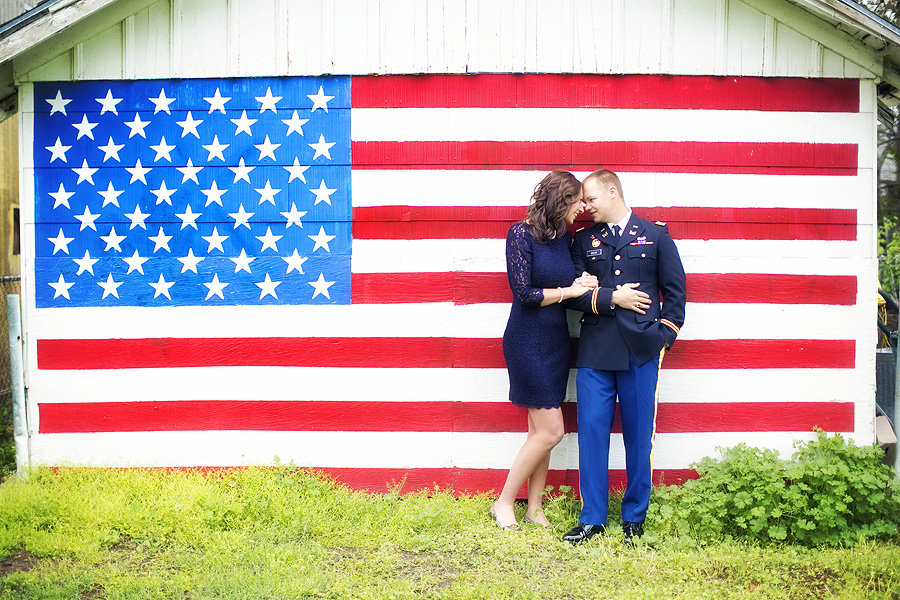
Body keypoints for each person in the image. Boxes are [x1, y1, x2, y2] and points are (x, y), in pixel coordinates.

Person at [561, 169, 686, 545]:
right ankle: (592, 518)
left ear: (612, 192)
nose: (586, 207)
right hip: (596, 350)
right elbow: (575, 293)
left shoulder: (656, 234)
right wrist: (613, 295)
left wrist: (662, 337)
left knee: (637, 436)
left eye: (591, 199)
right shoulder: (583, 241)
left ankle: (634, 518)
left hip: (640, 352)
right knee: (592, 435)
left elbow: (675, 293)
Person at [490, 170, 596, 530]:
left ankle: (534, 507)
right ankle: (504, 501)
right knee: (552, 431)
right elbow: (526, 294)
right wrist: (569, 292)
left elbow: (564, 284)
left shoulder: (566, 239)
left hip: (555, 342)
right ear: (560, 200)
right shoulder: (520, 234)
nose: (582, 207)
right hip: (526, 341)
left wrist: (580, 284)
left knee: (540, 433)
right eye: (577, 200)